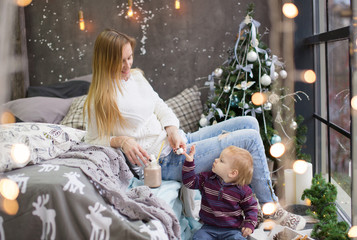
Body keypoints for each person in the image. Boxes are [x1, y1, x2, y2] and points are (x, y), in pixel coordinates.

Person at [84, 29, 306, 231]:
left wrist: (171, 128)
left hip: (177, 142)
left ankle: (247, 207)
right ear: (105, 61)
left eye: (129, 57)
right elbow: (92, 139)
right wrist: (120, 141)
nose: (127, 66)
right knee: (249, 138)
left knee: (249, 123)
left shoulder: (136, 77)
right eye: (120, 61)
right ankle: (270, 208)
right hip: (163, 161)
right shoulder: (100, 97)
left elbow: (161, 106)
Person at [182, 145, 258, 240]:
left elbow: (251, 208)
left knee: (238, 238)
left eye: (221, 160)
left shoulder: (243, 191)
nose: (215, 160)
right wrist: (189, 162)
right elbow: (189, 183)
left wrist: (249, 224)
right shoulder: (206, 179)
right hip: (208, 228)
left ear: (232, 173)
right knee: (198, 237)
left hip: (232, 230)